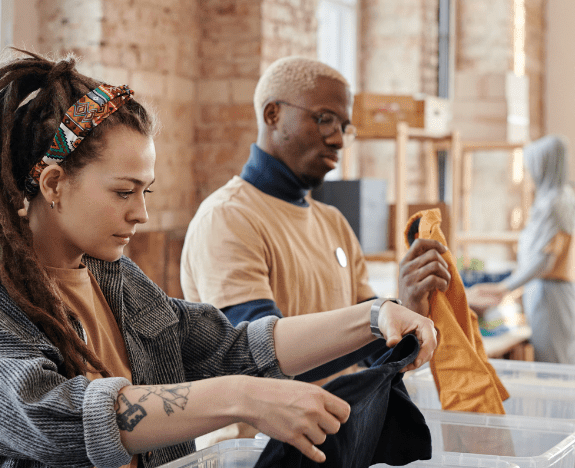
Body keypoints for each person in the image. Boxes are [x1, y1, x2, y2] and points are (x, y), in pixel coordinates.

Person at [0, 50, 437, 468]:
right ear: (52, 183)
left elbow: (224, 347)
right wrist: (241, 398)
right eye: (124, 191)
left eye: (145, 190)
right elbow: (51, 414)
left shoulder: (109, 274)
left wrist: (372, 318)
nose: (141, 213)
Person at [180, 56, 451, 384]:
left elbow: (374, 355)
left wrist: (408, 307)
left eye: (343, 128)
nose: (337, 139)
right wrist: (376, 317)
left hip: (331, 432)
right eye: (325, 120)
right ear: (273, 114)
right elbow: (256, 362)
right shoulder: (228, 218)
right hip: (255, 436)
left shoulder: (333, 222)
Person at [466, 135, 575, 364]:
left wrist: (504, 287)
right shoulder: (566, 197)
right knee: (562, 364)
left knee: (555, 369)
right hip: (559, 295)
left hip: (552, 298)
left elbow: (543, 260)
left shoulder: (554, 203)